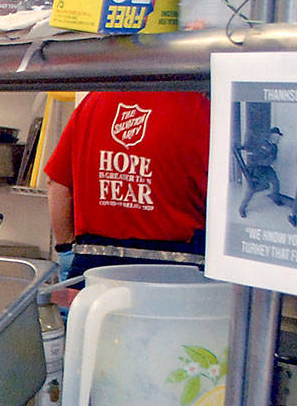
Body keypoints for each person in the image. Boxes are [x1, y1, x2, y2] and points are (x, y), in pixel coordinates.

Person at [46, 91, 209, 280]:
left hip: (93, 267)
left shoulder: (94, 101)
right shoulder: (198, 108)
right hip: (174, 270)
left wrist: (66, 250)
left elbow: (56, 183)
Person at [237, 125, 283, 221]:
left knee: (275, 181)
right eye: (275, 136)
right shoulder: (262, 142)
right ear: (270, 136)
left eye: (278, 137)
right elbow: (250, 149)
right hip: (255, 168)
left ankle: (275, 198)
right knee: (252, 189)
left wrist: (268, 161)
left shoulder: (274, 147)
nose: (277, 139)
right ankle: (242, 208)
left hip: (266, 168)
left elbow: (272, 159)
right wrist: (242, 147)